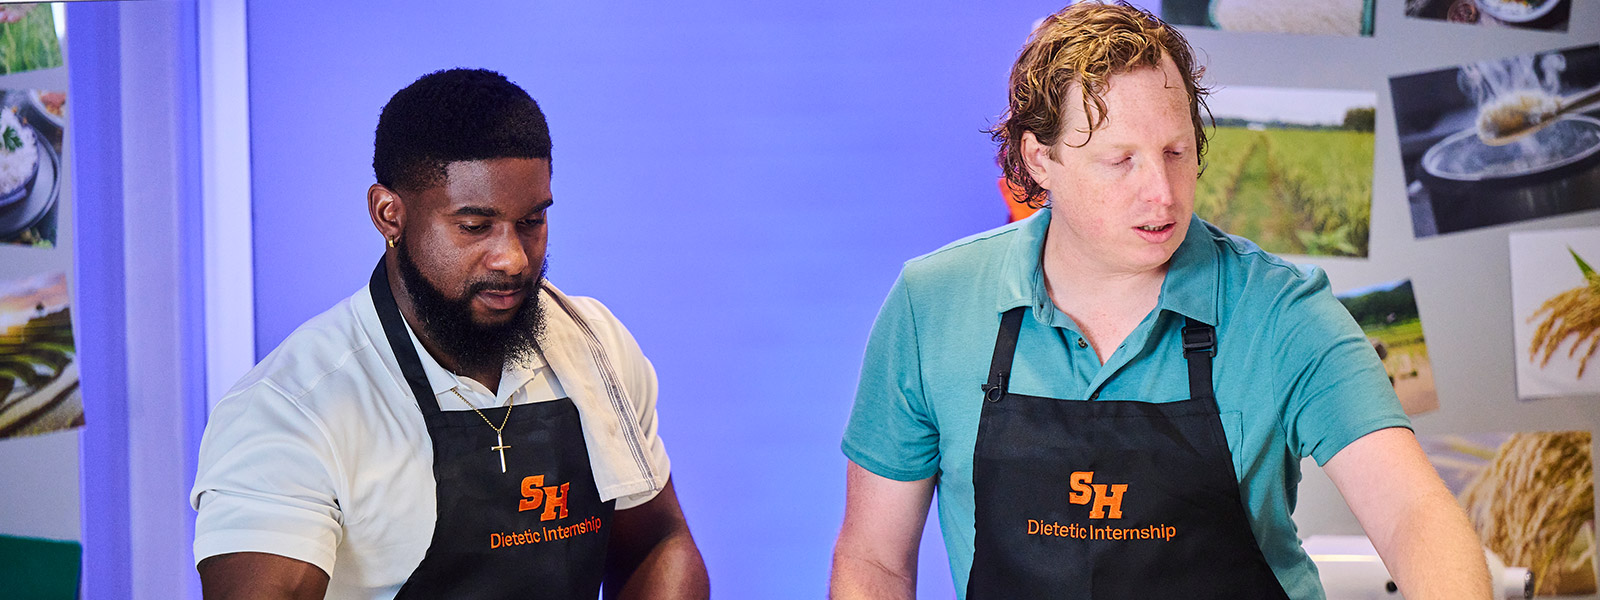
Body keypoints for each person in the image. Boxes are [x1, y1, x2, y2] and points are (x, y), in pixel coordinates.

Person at [829, 4, 1490, 599]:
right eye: (1121, 161)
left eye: (1176, 152)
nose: (1164, 195)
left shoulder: (1283, 312)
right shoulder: (933, 305)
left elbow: (1413, 513)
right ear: (1039, 161)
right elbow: (876, 562)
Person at [191, 68, 709, 600]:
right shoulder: (289, 409)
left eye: (531, 221)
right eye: (474, 226)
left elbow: (658, 544)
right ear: (388, 214)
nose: (512, 258)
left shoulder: (596, 346)